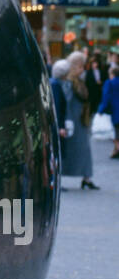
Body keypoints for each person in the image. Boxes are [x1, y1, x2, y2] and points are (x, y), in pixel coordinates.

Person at [51, 55, 98, 190]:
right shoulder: (68, 82)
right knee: (66, 151)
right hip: (72, 122)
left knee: (80, 150)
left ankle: (86, 177)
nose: (82, 69)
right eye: (80, 66)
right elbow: (64, 102)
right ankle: (83, 178)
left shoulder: (73, 81)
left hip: (78, 121)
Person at [98, 64, 119, 159]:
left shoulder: (109, 83)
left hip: (114, 111)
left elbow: (106, 97)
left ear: (112, 74)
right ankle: (115, 151)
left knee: (114, 133)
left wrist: (101, 110)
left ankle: (117, 149)